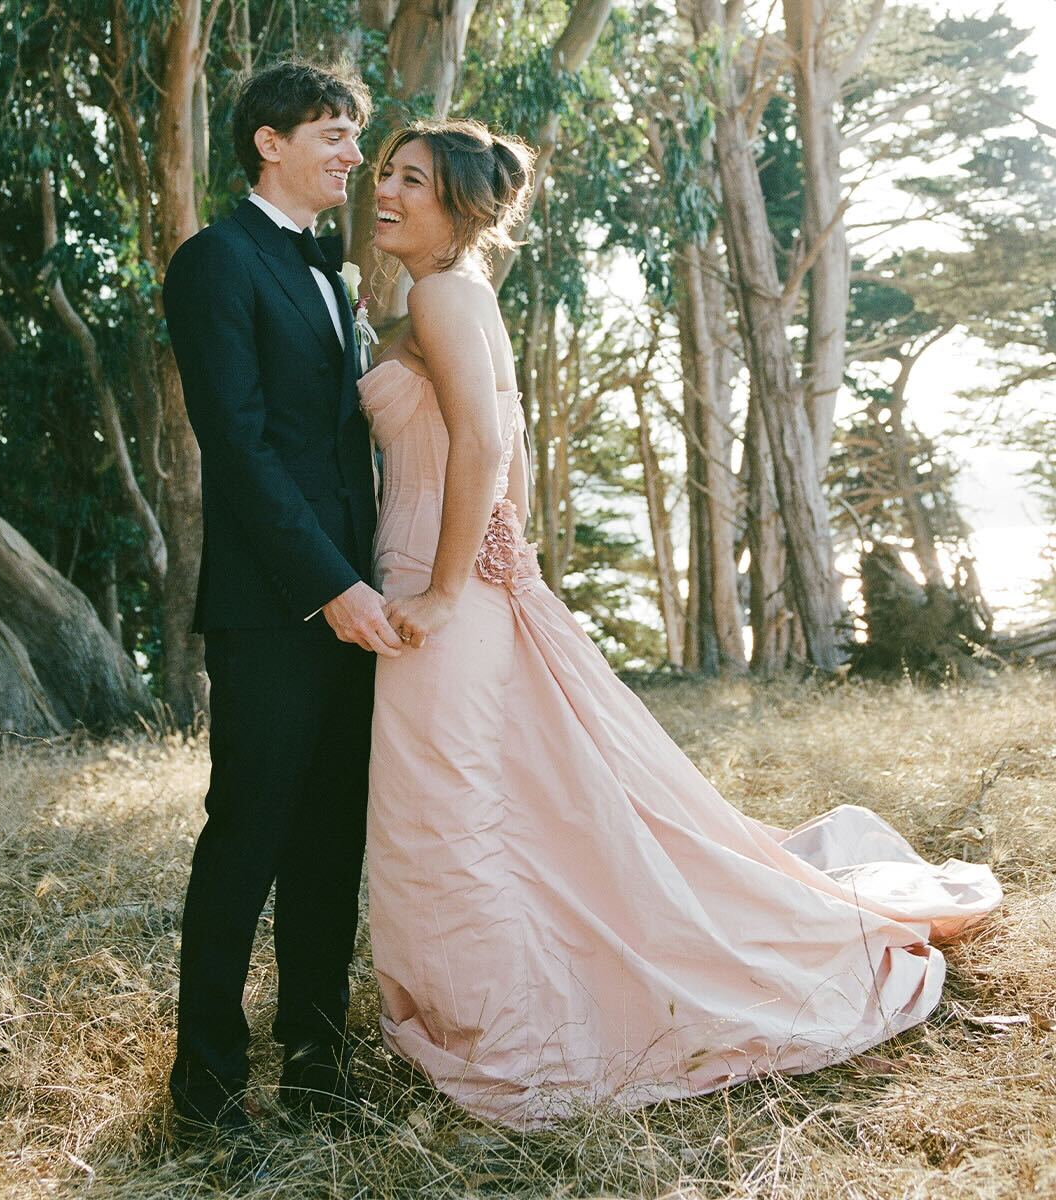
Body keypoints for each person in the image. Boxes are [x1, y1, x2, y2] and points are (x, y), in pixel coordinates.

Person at [359, 117, 1003, 1130]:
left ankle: (499, 1023)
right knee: (485, 809)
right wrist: (500, 559)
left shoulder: (442, 294)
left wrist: (447, 587)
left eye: (410, 180)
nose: (383, 191)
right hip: (462, 583)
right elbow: (503, 454)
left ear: (461, 208)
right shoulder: (452, 295)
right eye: (384, 174)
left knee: (442, 815)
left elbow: (485, 440)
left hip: (436, 594)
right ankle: (486, 1001)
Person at [162, 60, 401, 1135]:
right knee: (247, 837)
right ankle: (207, 1090)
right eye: (336, 135)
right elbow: (242, 449)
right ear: (269, 142)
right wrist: (330, 586)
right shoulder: (216, 261)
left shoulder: (333, 273)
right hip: (274, 609)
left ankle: (317, 1062)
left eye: (355, 137)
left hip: (360, 608)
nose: (355, 157)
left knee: (330, 843)